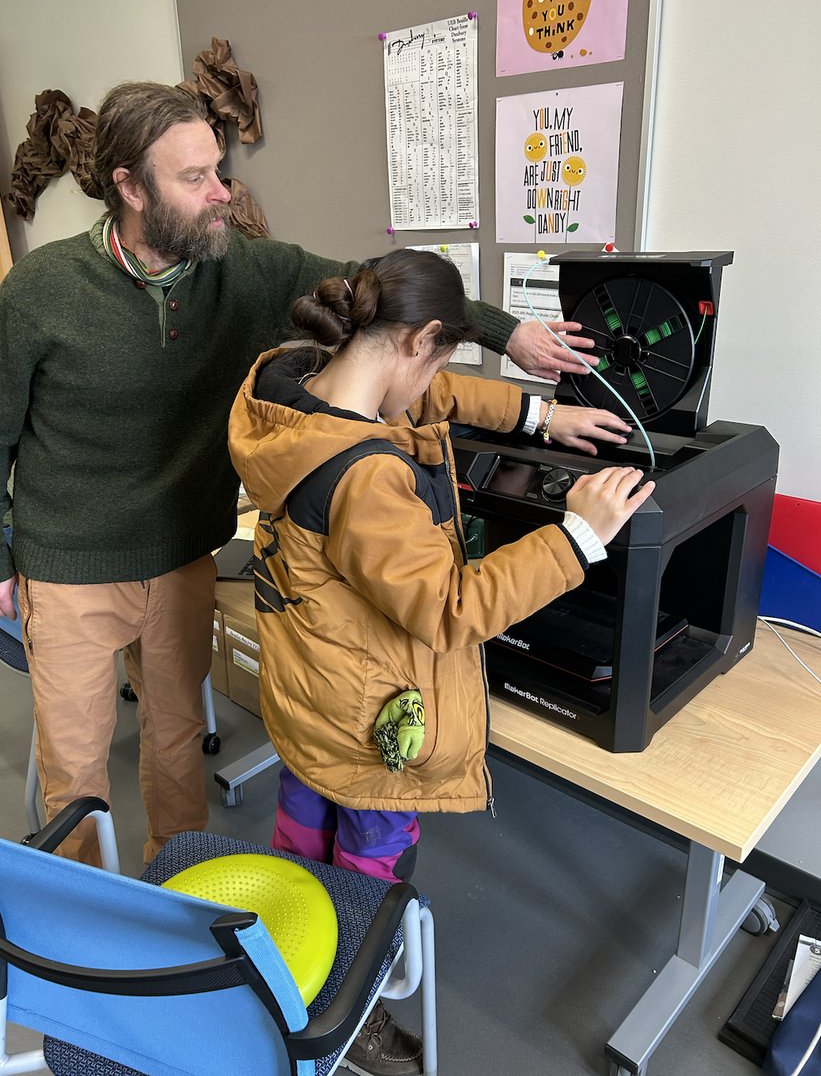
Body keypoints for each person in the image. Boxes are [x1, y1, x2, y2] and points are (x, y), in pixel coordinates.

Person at [0, 81, 602, 869]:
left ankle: (176, 888)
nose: (222, 194)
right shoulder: (41, 291)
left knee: (177, 738)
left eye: (218, 170)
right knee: (76, 770)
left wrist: (508, 332)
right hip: (70, 564)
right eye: (195, 179)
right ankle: (87, 923)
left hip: (183, 552)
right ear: (128, 186)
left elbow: (375, 291)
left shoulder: (241, 271)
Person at [227, 248, 655, 1076]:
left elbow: (427, 392)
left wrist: (537, 419)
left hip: (308, 691)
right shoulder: (366, 478)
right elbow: (451, 607)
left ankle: (284, 948)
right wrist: (577, 538)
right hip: (370, 723)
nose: (435, 386)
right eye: (439, 358)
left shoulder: (284, 382)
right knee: (373, 855)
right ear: (417, 337)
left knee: (304, 817)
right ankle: (347, 1007)